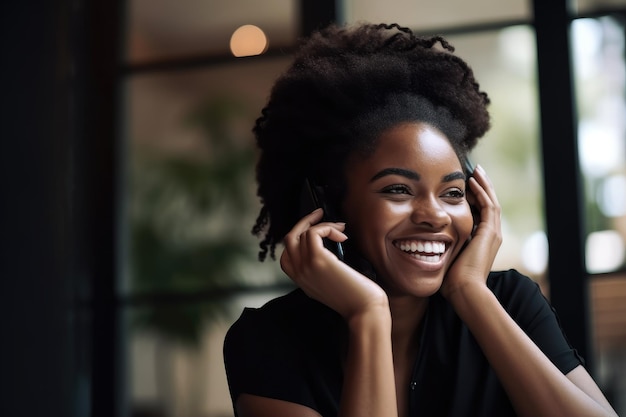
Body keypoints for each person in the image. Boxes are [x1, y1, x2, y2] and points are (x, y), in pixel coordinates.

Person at [223, 22, 618, 417]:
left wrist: (470, 293)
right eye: (398, 189)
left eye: (453, 193)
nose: (434, 215)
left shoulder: (510, 302)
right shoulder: (268, 339)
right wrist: (368, 315)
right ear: (327, 206)